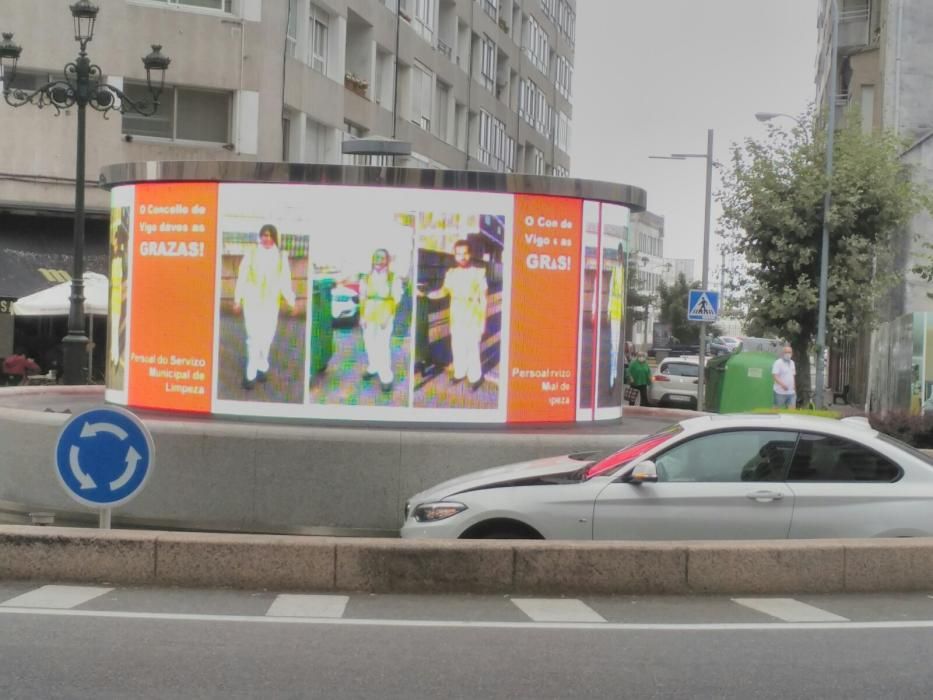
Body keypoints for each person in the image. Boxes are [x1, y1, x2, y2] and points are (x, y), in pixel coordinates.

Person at [233, 224, 297, 390]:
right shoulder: (251, 253)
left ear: (275, 238)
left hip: (270, 303)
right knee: (253, 337)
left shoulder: (281, 257)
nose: (267, 239)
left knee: (266, 338)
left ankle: (262, 366)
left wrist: (291, 301)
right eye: (264, 235)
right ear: (260, 237)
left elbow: (285, 281)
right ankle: (250, 374)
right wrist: (237, 299)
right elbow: (242, 277)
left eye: (270, 235)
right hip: (252, 301)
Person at [420, 240, 488, 391]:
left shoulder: (479, 272)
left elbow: (483, 298)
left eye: (465, 253)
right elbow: (443, 292)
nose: (462, 257)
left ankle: (475, 377)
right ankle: (459, 372)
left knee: (472, 347)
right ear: (455, 255)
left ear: (470, 254)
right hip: (457, 315)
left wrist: (483, 323)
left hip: (473, 315)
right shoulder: (451, 273)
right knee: (457, 345)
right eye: (459, 254)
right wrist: (426, 294)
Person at [359, 248, 403, 393]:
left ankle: (386, 377)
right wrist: (362, 316)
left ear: (387, 261)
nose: (379, 260)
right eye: (376, 257)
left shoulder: (393, 278)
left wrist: (388, 315)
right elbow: (363, 297)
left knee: (382, 346)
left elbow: (396, 298)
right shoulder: (366, 277)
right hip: (369, 313)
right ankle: (373, 367)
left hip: (384, 314)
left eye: (382, 258)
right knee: (369, 343)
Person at [607, 243, 625, 389]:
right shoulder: (615, 271)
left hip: (619, 314)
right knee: (614, 346)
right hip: (614, 313)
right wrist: (608, 311)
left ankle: (614, 374)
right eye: (618, 256)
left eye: (621, 256)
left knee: (617, 346)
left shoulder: (623, 271)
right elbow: (611, 292)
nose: (619, 258)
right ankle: (612, 376)